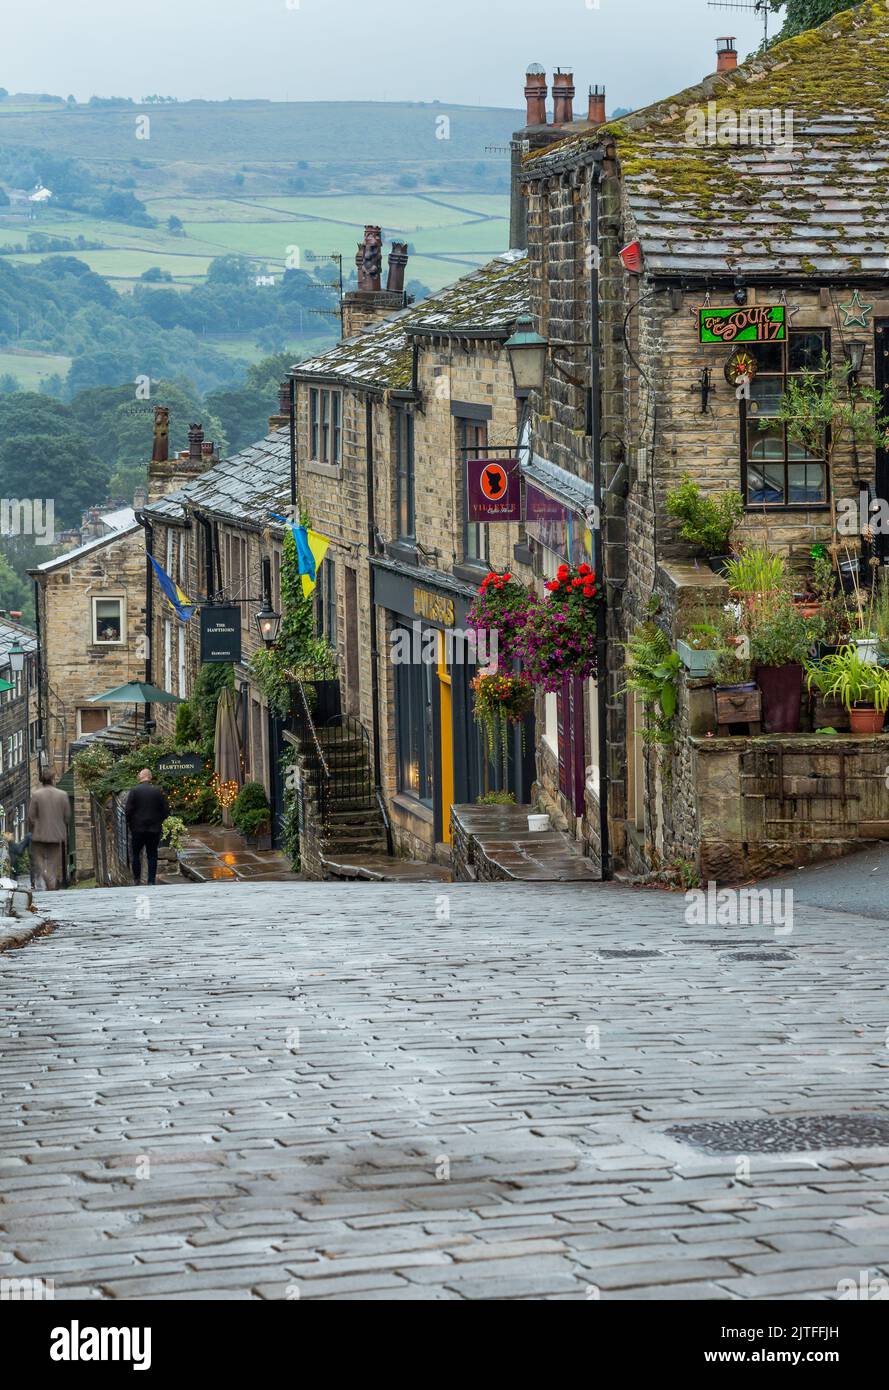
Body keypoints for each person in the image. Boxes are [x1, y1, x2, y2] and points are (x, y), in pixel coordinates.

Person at [27, 770, 70, 892]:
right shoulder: (62, 795)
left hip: (39, 834)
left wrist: (37, 826)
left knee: (38, 858)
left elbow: (31, 816)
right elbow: (67, 816)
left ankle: (45, 874)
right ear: (52, 779)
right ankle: (51, 879)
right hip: (56, 834)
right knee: (53, 860)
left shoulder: (36, 795)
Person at [126, 769, 170, 887]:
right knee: (152, 855)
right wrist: (159, 821)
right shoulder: (157, 791)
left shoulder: (134, 791)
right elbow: (165, 811)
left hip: (137, 828)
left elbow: (128, 810)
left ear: (141, 777)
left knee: (135, 854)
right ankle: (151, 881)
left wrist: (130, 823)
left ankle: (136, 880)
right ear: (150, 778)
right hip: (154, 829)